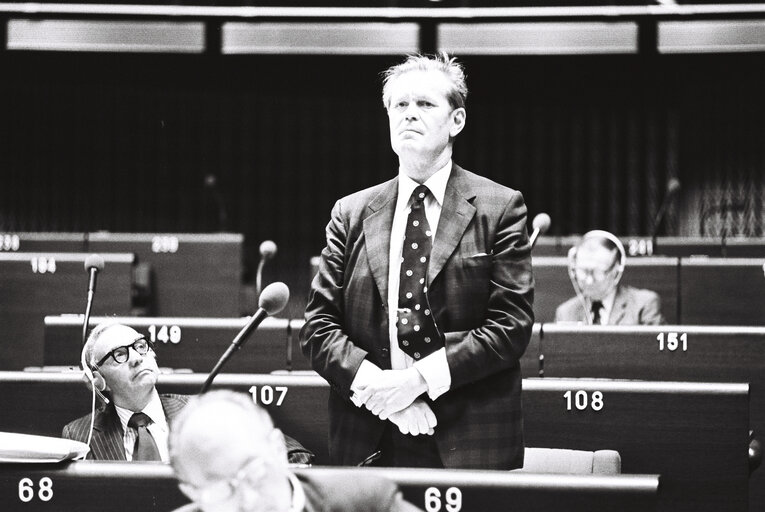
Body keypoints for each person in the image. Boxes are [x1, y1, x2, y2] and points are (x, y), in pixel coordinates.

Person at [300, 53, 534, 470]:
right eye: (399, 106)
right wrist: (387, 397)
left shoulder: (500, 207)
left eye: (425, 104)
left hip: (470, 433)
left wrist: (415, 382)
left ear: (456, 121)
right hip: (369, 432)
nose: (409, 115)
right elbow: (318, 330)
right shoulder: (351, 212)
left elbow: (509, 327)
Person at [63, 321, 314, 464]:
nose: (137, 358)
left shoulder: (204, 410)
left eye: (140, 346)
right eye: (120, 354)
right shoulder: (81, 434)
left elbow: (294, 455)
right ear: (98, 380)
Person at [169, 390, 422, 512]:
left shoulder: (367, 503)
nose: (249, 501)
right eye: (222, 489)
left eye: (255, 471)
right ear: (191, 491)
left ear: (278, 449)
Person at [555, 230, 665, 325]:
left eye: (597, 272)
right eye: (583, 271)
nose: (589, 280)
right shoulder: (565, 312)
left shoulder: (644, 305)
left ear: (616, 271)